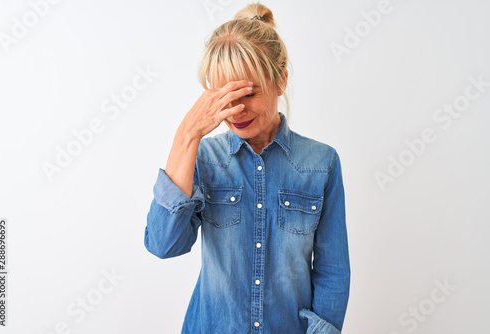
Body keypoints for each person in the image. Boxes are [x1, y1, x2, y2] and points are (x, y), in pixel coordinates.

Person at [144, 2, 350, 333]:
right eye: (225, 97)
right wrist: (186, 135)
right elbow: (163, 244)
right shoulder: (203, 158)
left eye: (249, 93)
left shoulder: (321, 163)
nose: (237, 110)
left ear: (281, 81)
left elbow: (332, 270)